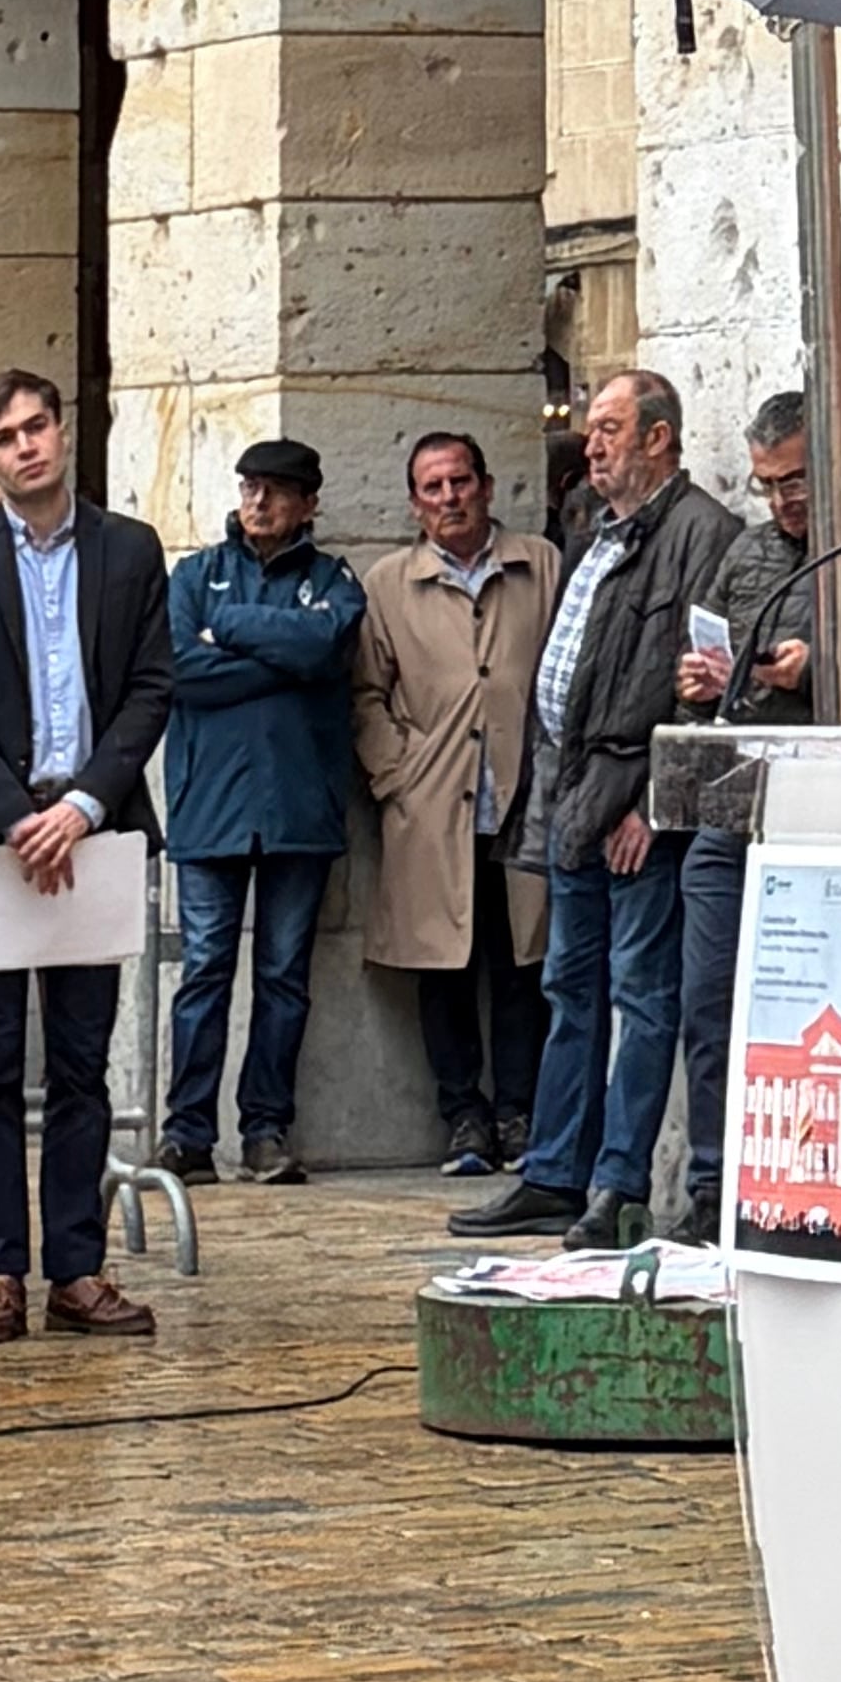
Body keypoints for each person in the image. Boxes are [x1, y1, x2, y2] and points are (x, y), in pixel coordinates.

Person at [448, 362, 743, 1245]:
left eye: (610, 428)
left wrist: (654, 802)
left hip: (635, 807)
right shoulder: (597, 528)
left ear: (659, 437)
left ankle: (617, 1185)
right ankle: (554, 1173)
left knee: (642, 996)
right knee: (569, 989)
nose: (592, 444)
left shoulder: (703, 534)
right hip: (575, 795)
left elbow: (706, 691)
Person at [0, 363, 171, 1341]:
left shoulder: (130, 550)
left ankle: (76, 1267)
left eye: (37, 426)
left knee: (80, 1062)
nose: (26, 446)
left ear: (62, 432)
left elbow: (150, 688)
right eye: (5, 437)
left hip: (92, 830)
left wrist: (84, 804)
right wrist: (14, 816)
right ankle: (0, 1273)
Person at [671, 387, 841, 1247]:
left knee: (819, 1018)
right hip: (737, 801)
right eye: (767, 484)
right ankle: (714, 1186)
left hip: (831, 813)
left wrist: (819, 666)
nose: (782, 500)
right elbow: (712, 649)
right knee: (711, 1001)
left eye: (794, 481)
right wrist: (704, 680)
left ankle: (816, 1184)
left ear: (830, 460)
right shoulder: (748, 551)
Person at [159, 438, 365, 1186]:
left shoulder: (332, 579)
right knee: (204, 972)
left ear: (308, 504)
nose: (259, 501)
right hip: (209, 805)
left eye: (276, 490)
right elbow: (179, 670)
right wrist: (284, 662)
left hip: (298, 805)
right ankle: (187, 1133)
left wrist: (232, 629)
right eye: (250, 487)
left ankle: (266, 1129)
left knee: (283, 976)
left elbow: (326, 648)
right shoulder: (193, 575)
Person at [353, 425, 555, 1177]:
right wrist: (397, 773)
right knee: (443, 967)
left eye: (460, 481)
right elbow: (365, 694)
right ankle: (463, 1116)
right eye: (433, 487)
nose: (450, 498)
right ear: (414, 503)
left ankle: (519, 1113)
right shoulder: (387, 585)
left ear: (486, 486)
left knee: (523, 963)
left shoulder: (540, 564)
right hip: (433, 807)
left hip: (523, 801)